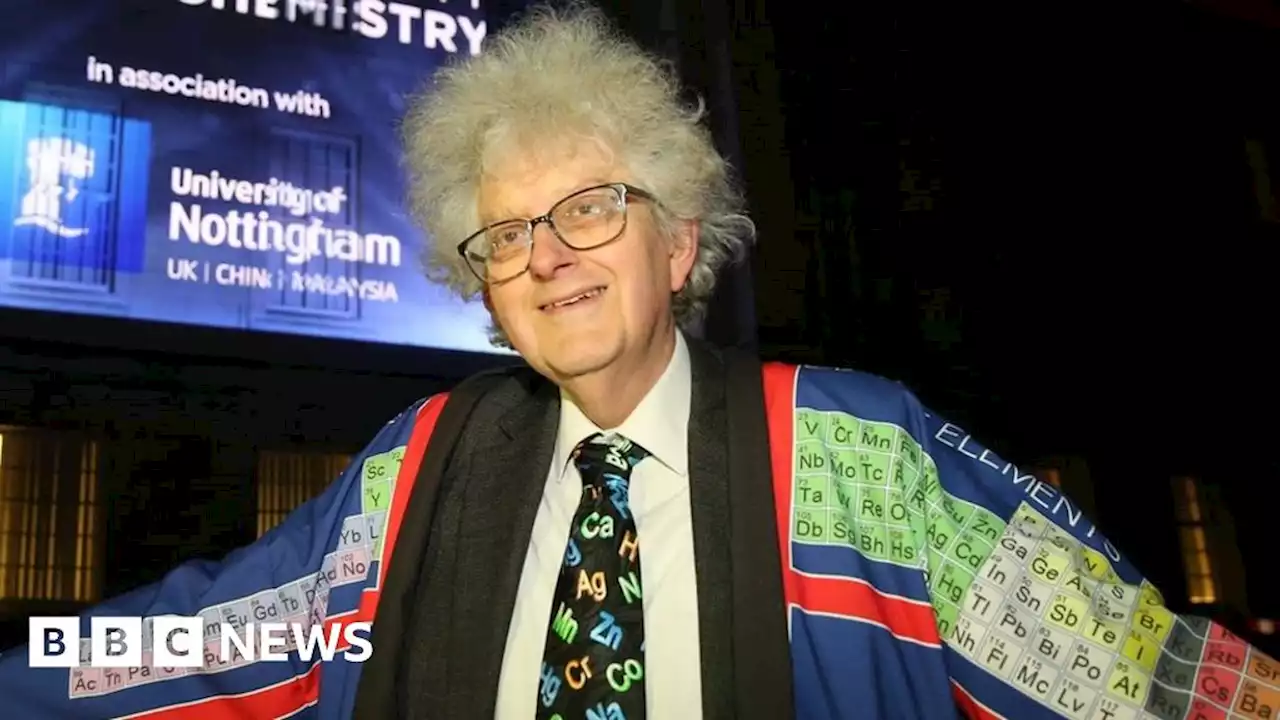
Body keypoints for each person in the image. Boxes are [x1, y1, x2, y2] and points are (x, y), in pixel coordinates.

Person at [1, 3, 1275, 719]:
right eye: (506, 233)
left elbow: (1148, 681)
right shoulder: (411, 473)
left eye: (591, 208)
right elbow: (204, 642)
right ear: (485, 291)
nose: (548, 254)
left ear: (677, 248)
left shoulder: (861, 456)